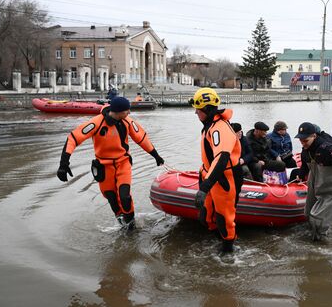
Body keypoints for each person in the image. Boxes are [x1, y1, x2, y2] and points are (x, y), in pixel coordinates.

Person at [56, 96, 164, 230]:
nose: (129, 113)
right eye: (127, 111)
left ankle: (131, 227)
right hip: (104, 167)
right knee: (112, 199)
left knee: (124, 197)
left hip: (123, 163)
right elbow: (73, 138)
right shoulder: (96, 123)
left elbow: (141, 138)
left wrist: (156, 156)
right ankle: (121, 224)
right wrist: (63, 163)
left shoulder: (128, 122)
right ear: (118, 111)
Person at [189, 87, 243, 253]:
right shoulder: (209, 125)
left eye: (198, 111)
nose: (196, 114)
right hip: (209, 174)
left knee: (224, 217)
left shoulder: (220, 128)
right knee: (206, 216)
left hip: (225, 177)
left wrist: (205, 187)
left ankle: (228, 250)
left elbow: (222, 158)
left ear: (206, 109)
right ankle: (217, 239)